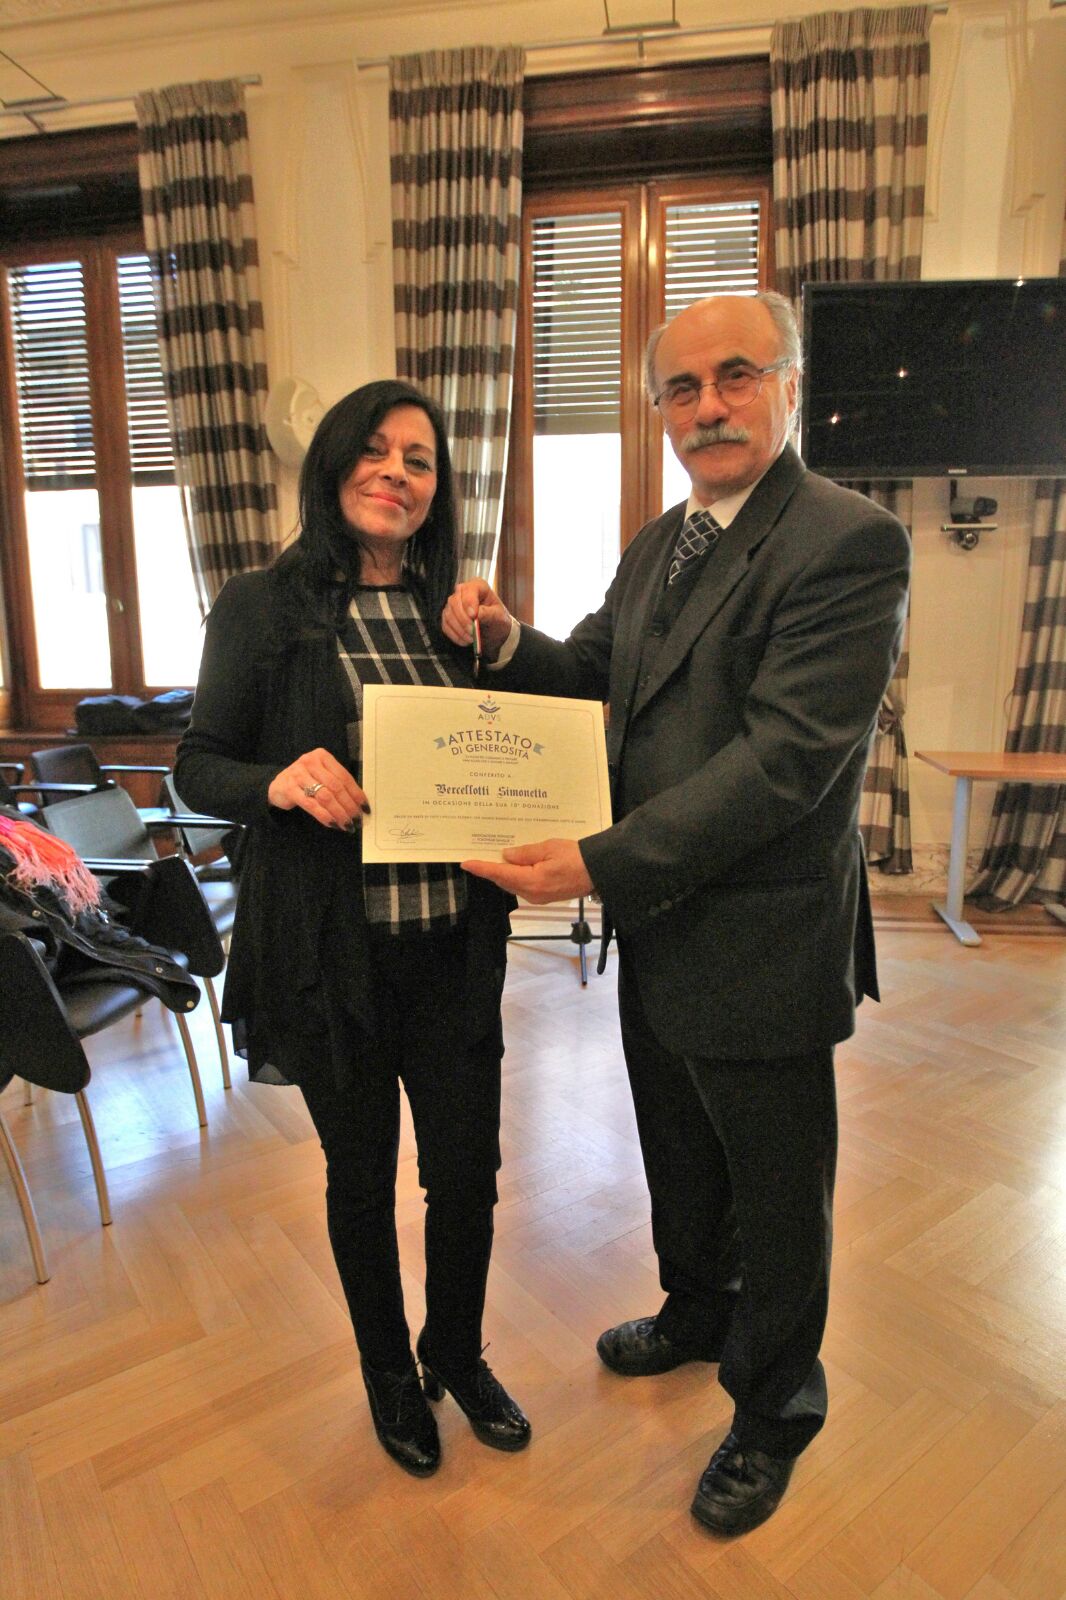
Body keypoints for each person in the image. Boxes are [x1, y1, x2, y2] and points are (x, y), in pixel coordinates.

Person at [442, 292, 911, 1535]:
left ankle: (774, 1407)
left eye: (735, 375)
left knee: (777, 1185)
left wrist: (598, 860)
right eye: (682, 388)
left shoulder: (849, 540)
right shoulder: (661, 541)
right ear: (658, 409)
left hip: (762, 929)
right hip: (660, 922)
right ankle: (698, 1309)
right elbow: (595, 670)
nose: (708, 406)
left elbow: (783, 762)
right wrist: (508, 640)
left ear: (788, 384)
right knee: (679, 1149)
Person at [175, 379, 530, 1479]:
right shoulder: (260, 605)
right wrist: (277, 779)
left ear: (438, 489)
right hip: (333, 960)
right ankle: (388, 1372)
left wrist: (503, 645)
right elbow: (198, 766)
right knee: (361, 1178)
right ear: (333, 466)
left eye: (419, 460)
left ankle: (455, 1350)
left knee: (466, 1175)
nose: (395, 473)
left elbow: (510, 747)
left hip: (452, 949)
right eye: (375, 451)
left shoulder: (456, 616)